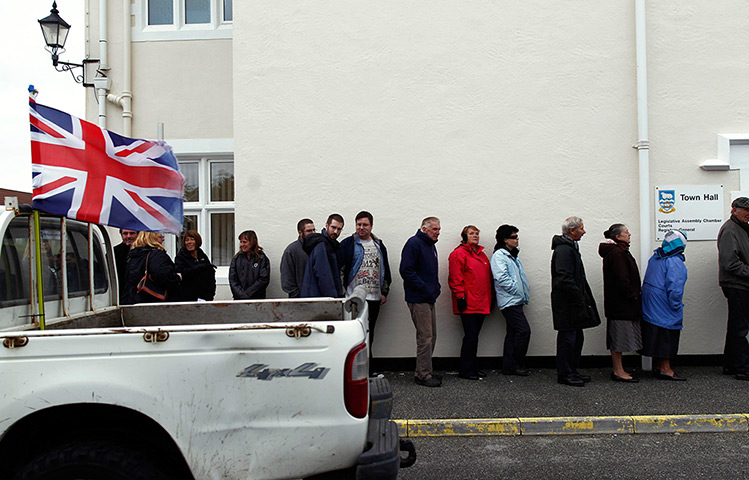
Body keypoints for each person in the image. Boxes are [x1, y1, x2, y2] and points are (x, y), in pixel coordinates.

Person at [338, 211, 392, 373]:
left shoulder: (378, 245)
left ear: (371, 226)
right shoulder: (347, 244)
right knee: (354, 333)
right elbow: (339, 270)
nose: (361, 228)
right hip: (354, 298)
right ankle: (354, 370)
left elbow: (385, 270)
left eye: (365, 225)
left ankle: (368, 369)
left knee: (370, 333)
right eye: (358, 224)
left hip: (374, 297)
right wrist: (341, 294)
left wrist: (384, 292)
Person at [550, 216, 601, 387]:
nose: (584, 231)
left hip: (572, 303)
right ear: (572, 231)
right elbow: (564, 278)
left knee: (576, 338)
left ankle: (572, 370)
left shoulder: (570, 248)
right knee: (568, 340)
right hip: (568, 304)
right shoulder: (564, 250)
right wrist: (579, 297)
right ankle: (565, 373)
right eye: (581, 228)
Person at [400, 217, 442, 387]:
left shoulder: (430, 246)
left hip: (428, 297)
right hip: (419, 299)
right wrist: (424, 288)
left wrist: (435, 288)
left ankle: (426, 370)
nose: (438, 232)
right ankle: (423, 375)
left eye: (439, 229)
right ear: (424, 229)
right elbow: (406, 270)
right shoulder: (414, 243)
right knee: (425, 337)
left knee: (432, 336)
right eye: (434, 229)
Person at [641, 230, 688, 381]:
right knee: (667, 335)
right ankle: (666, 368)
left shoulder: (656, 257)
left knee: (655, 334)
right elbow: (675, 287)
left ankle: (657, 366)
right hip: (665, 305)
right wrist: (676, 306)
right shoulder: (674, 261)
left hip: (651, 304)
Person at [599, 224, 642, 383]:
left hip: (621, 303)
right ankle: (618, 371)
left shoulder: (619, 251)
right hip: (621, 304)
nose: (629, 234)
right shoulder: (617, 253)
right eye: (626, 232)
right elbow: (622, 280)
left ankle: (620, 369)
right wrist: (633, 296)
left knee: (618, 336)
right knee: (617, 338)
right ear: (617, 237)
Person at [448, 225, 492, 380]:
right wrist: (460, 297)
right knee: (470, 336)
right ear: (464, 236)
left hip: (481, 302)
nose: (475, 236)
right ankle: (466, 369)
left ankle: (472, 366)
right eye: (472, 233)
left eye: (477, 233)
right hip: (468, 302)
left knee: (474, 336)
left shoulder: (481, 255)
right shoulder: (458, 254)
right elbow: (455, 278)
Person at [491, 224, 531, 377]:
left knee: (513, 333)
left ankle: (509, 366)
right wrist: (517, 290)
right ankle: (516, 364)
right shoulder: (500, 256)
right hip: (510, 301)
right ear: (505, 240)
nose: (517, 239)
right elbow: (501, 278)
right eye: (514, 237)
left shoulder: (512, 256)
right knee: (523, 331)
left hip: (516, 300)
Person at [717, 197, 749, 381]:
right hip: (737, 285)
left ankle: (731, 365)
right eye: (744, 210)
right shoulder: (730, 229)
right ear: (733, 209)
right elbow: (730, 263)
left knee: (737, 325)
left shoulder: (742, 228)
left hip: (741, 284)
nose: (748, 213)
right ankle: (741, 368)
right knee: (740, 327)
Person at [122, 232, 181, 304]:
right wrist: (177, 278)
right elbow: (162, 274)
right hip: (152, 302)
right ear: (151, 238)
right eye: (160, 237)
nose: (163, 239)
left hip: (133, 301)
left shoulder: (133, 256)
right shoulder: (156, 254)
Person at [300, 214, 345, 298]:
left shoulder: (329, 245)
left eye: (339, 229)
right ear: (326, 225)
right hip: (320, 301)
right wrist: (333, 301)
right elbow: (324, 277)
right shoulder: (322, 246)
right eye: (333, 227)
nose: (336, 231)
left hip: (317, 298)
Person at [175, 230, 216, 301]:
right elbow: (182, 273)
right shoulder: (180, 257)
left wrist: (210, 295)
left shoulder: (202, 255)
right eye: (187, 240)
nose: (189, 242)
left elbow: (210, 276)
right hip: (188, 298)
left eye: (192, 239)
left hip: (205, 298)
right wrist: (199, 267)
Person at [229, 230, 271, 300]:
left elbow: (263, 279)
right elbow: (233, 280)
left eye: (245, 242)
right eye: (241, 242)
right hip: (239, 300)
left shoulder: (262, 259)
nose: (242, 245)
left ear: (253, 242)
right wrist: (241, 295)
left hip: (257, 300)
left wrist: (248, 294)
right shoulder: (236, 259)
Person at [280, 219, 316, 298]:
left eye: (314, 230)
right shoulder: (291, 251)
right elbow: (287, 279)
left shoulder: (318, 248)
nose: (313, 233)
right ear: (300, 233)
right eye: (309, 231)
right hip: (299, 301)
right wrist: (297, 295)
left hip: (318, 298)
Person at [113, 228, 138, 303]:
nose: (128, 236)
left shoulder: (143, 251)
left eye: (132, 233)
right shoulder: (114, 252)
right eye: (125, 233)